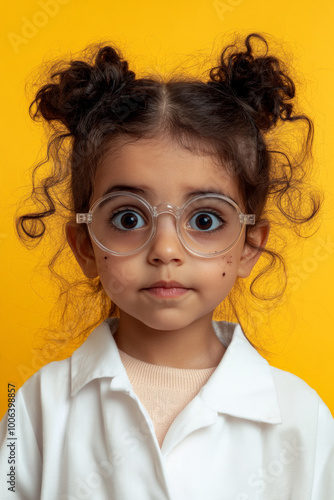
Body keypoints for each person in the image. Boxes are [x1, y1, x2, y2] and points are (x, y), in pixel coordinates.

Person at [0, 32, 333, 500]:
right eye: (128, 217)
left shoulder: (302, 416)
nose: (165, 249)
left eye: (204, 219)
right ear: (85, 247)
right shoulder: (34, 407)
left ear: (249, 245)